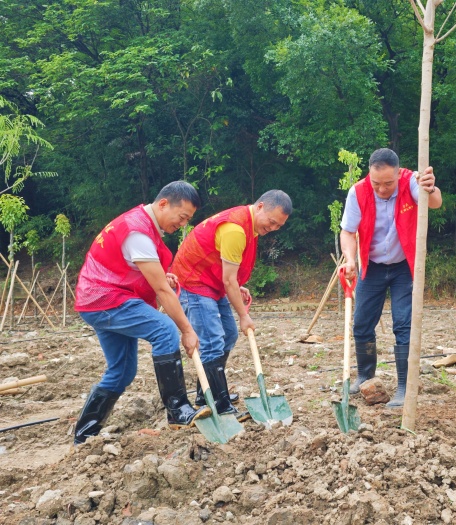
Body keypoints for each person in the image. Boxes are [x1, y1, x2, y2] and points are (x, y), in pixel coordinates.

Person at [73, 181, 210, 445]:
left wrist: (161, 276)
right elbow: (161, 290)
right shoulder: (138, 232)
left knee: (122, 371)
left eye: (188, 220)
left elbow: (141, 271)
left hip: (97, 301)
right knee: (165, 330)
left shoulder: (141, 225)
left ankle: (85, 435)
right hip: (107, 300)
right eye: (182, 217)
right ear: (162, 204)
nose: (182, 224)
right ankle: (178, 410)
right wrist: (188, 330)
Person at [171, 190, 292, 420]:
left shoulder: (251, 227)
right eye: (272, 221)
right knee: (212, 341)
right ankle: (220, 401)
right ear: (260, 207)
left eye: (279, 225)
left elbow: (229, 274)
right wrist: (243, 315)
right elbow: (228, 280)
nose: (273, 228)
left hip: (211, 282)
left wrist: (237, 285)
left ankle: (204, 393)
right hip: (193, 282)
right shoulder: (236, 229)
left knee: (228, 335)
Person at [339, 148, 442, 408]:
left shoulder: (411, 182)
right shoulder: (358, 192)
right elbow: (348, 232)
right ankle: (365, 375)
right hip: (371, 266)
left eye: (388, 183)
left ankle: (405, 387)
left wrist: (431, 187)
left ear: (398, 173)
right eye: (376, 183)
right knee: (361, 323)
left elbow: (434, 202)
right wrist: (350, 259)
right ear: (369, 175)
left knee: (404, 325)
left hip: (403, 267)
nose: (382, 189)